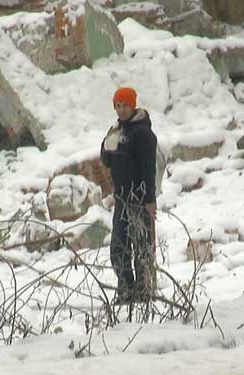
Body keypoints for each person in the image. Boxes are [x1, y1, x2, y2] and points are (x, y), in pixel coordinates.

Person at [100, 87, 157, 304]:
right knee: (118, 248)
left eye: (125, 105)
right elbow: (106, 161)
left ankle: (143, 294)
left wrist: (150, 201)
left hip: (140, 200)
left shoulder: (142, 133)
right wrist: (107, 145)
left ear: (133, 105)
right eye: (117, 105)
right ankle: (126, 291)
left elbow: (148, 168)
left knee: (142, 249)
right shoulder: (117, 129)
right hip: (121, 200)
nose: (121, 110)